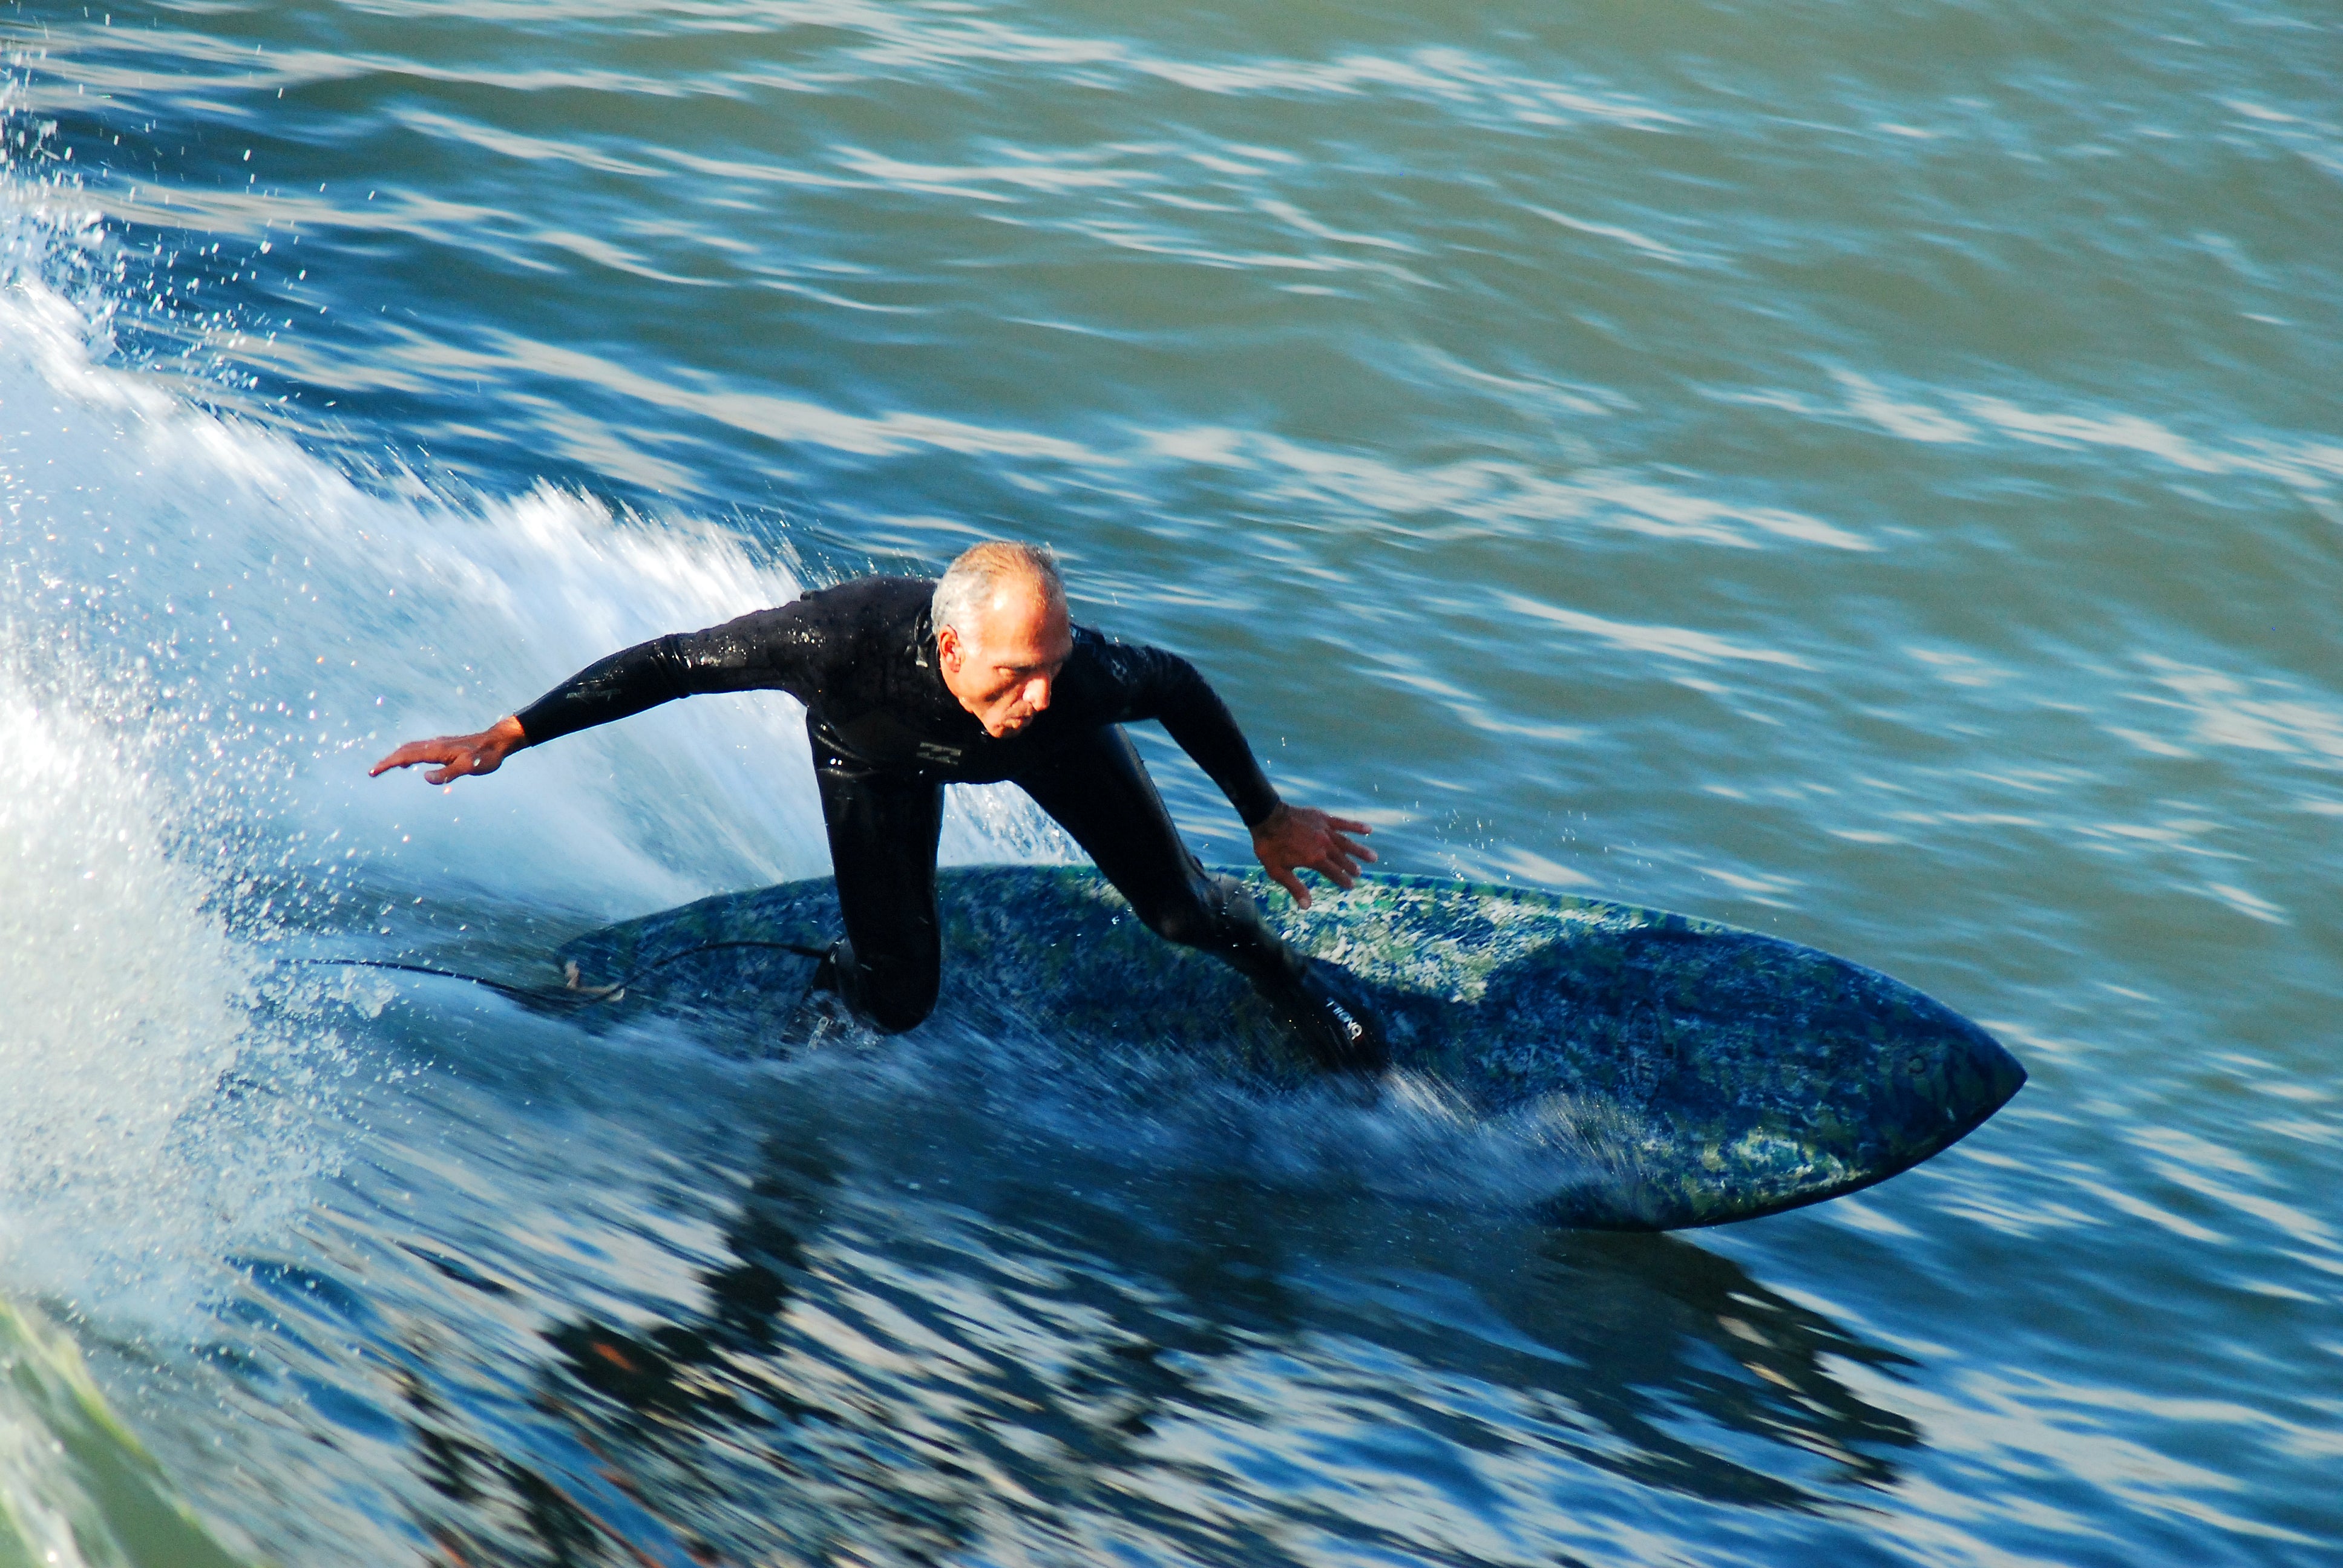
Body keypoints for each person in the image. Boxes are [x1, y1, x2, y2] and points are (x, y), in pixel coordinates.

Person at [372, 540, 1387, 1070]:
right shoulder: (834, 645)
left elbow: (1177, 687)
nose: (1041, 691)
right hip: (875, 760)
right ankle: (836, 979)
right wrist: (509, 733)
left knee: (1181, 917)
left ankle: (1294, 985)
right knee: (898, 999)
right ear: (952, 650)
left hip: (1060, 768)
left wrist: (1264, 815)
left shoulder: (1067, 694)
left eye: (1056, 662)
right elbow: (673, 664)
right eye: (1017, 670)